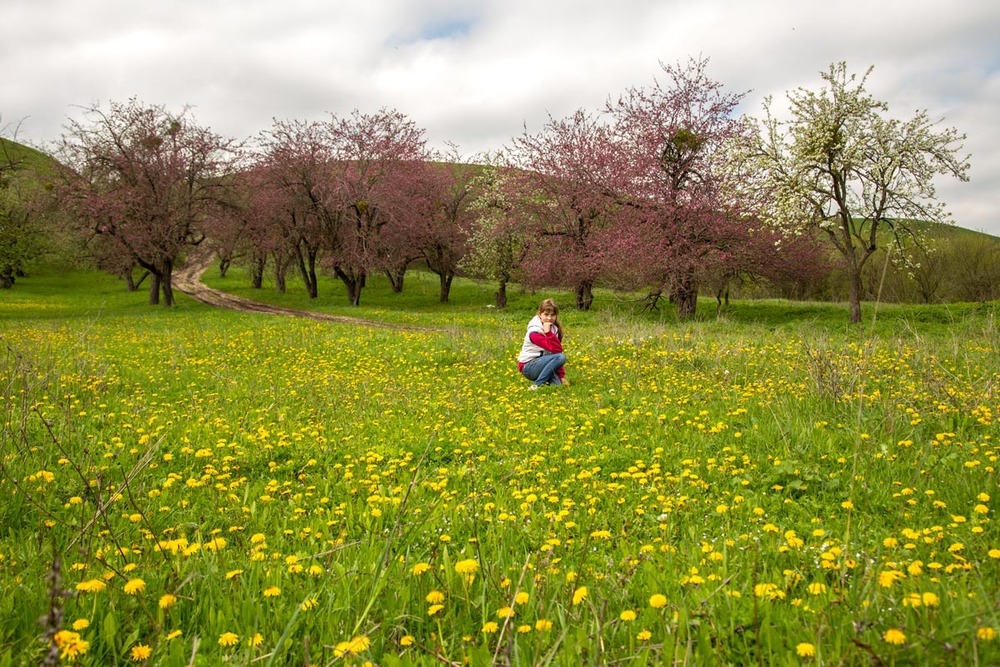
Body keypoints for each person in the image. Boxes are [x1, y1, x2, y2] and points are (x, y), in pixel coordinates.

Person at [517, 298, 569, 389]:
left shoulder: (554, 328)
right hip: (528, 367)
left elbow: (555, 353)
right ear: (540, 314)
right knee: (561, 357)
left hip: (544, 365)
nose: (549, 318)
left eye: (552, 315)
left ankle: (545, 381)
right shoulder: (534, 332)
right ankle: (537, 385)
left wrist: (561, 376)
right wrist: (548, 333)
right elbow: (558, 351)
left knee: (557, 385)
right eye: (546, 314)